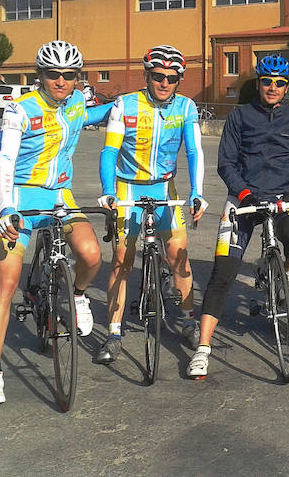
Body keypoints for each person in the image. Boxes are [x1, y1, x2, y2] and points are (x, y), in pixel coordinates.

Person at [0, 40, 112, 407]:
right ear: (40, 75)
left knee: (90, 255)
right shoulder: (19, 110)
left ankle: (79, 296)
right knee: (5, 283)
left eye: (69, 76)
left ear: (76, 79)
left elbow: (108, 111)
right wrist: (7, 208)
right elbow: (5, 159)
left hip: (59, 196)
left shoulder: (77, 105)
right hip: (20, 198)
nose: (61, 81)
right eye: (53, 74)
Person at [187, 54, 289, 379]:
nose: (272, 88)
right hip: (243, 200)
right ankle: (202, 349)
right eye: (267, 82)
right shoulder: (240, 117)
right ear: (258, 83)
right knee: (223, 273)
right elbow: (226, 163)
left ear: (286, 86)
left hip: (280, 200)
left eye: (279, 83)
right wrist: (244, 193)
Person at [94, 46, 208, 364]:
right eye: (158, 76)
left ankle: (186, 320)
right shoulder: (125, 104)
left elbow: (195, 151)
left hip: (164, 188)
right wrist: (107, 191)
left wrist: (198, 191)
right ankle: (114, 333)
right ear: (147, 75)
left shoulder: (186, 107)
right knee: (122, 260)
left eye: (172, 78)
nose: (164, 83)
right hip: (127, 188)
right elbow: (109, 151)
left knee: (180, 256)